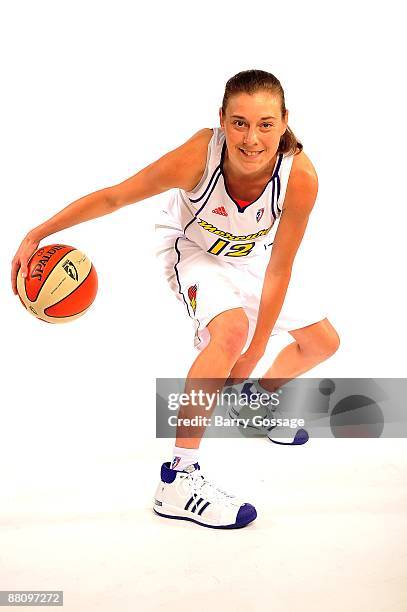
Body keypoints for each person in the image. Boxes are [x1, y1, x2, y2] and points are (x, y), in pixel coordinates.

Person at [11, 69, 340, 530]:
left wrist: (258, 353)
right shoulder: (198, 157)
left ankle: (254, 403)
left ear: (285, 122)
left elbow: (280, 267)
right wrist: (39, 232)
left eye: (266, 123)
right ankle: (178, 479)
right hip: (195, 252)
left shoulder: (300, 177)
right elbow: (115, 197)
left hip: (250, 259)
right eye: (240, 122)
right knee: (229, 334)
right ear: (222, 119)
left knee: (322, 343)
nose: (251, 137)